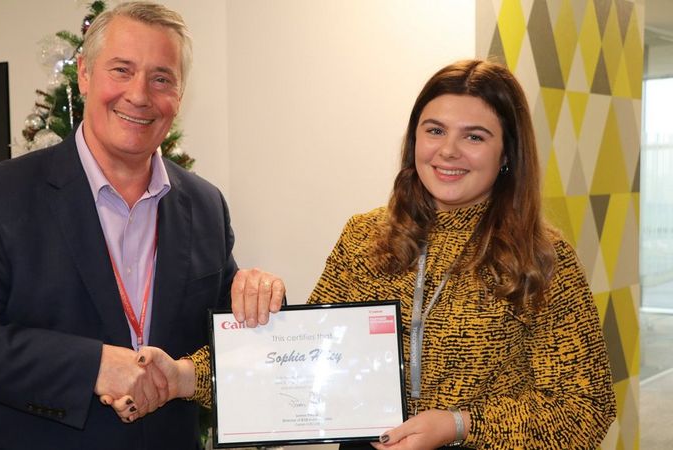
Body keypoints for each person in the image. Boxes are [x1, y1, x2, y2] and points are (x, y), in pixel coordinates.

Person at [111, 59, 617, 449]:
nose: (448, 151)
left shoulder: (542, 257)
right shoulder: (367, 236)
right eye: (435, 129)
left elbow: (585, 409)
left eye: (475, 137)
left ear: (507, 154)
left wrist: (460, 426)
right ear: (414, 137)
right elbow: (306, 361)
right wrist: (183, 377)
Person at [0, 2, 283, 449]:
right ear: (83, 74)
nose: (139, 94)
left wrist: (260, 298)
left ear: (179, 93)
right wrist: (92, 366)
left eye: (161, 78)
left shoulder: (205, 204)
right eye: (121, 70)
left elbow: (226, 339)